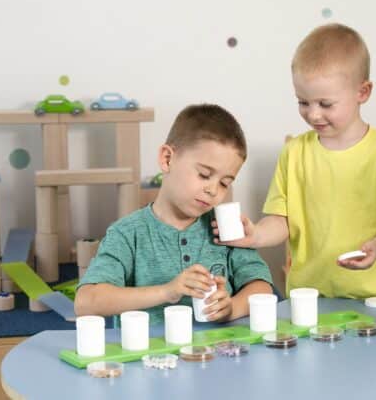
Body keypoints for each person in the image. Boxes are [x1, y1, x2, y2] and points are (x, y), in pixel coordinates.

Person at [213, 23, 376, 300]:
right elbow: (282, 219)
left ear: (362, 92)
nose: (313, 114)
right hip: (311, 298)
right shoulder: (294, 153)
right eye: (303, 102)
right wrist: (257, 235)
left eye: (325, 104)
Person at [76, 104, 273, 324]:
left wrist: (232, 308)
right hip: (149, 346)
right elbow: (86, 302)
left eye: (224, 183)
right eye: (204, 174)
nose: (213, 190)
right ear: (167, 159)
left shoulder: (225, 230)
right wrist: (167, 292)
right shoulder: (127, 234)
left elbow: (262, 288)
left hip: (219, 345)